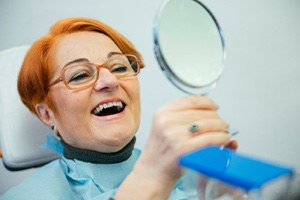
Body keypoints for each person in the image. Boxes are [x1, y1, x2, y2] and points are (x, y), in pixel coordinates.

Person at [1, 17, 237, 200]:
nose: (109, 81)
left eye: (120, 67)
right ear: (47, 113)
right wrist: (152, 177)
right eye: (81, 75)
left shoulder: (188, 173)